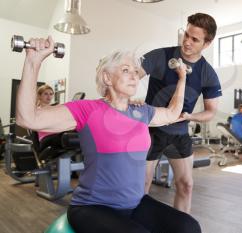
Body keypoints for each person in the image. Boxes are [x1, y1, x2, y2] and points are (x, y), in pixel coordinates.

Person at [16, 37, 201, 233]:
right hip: (92, 207)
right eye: (125, 70)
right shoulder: (87, 110)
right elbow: (28, 119)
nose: (134, 76)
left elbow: (172, 113)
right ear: (107, 78)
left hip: (135, 203)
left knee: (188, 227)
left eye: (136, 72)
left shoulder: (142, 112)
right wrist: (33, 62)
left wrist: (182, 78)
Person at [139, 13, 222, 213]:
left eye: (195, 39)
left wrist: (190, 117)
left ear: (207, 43)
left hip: (179, 133)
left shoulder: (207, 73)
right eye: (186, 34)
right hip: (151, 131)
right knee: (141, 186)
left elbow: (210, 112)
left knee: (186, 185)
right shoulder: (161, 56)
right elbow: (132, 77)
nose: (186, 42)